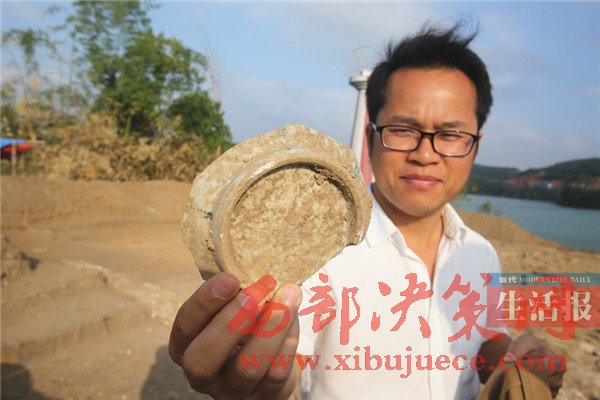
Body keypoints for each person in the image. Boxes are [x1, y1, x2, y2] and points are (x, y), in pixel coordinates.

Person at [169, 23, 565, 399]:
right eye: (403, 130)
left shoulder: (481, 252)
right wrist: (256, 381)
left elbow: (484, 342)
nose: (425, 154)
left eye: (450, 134)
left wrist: (516, 359)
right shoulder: (319, 254)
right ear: (370, 136)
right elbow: (285, 365)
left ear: (475, 144)